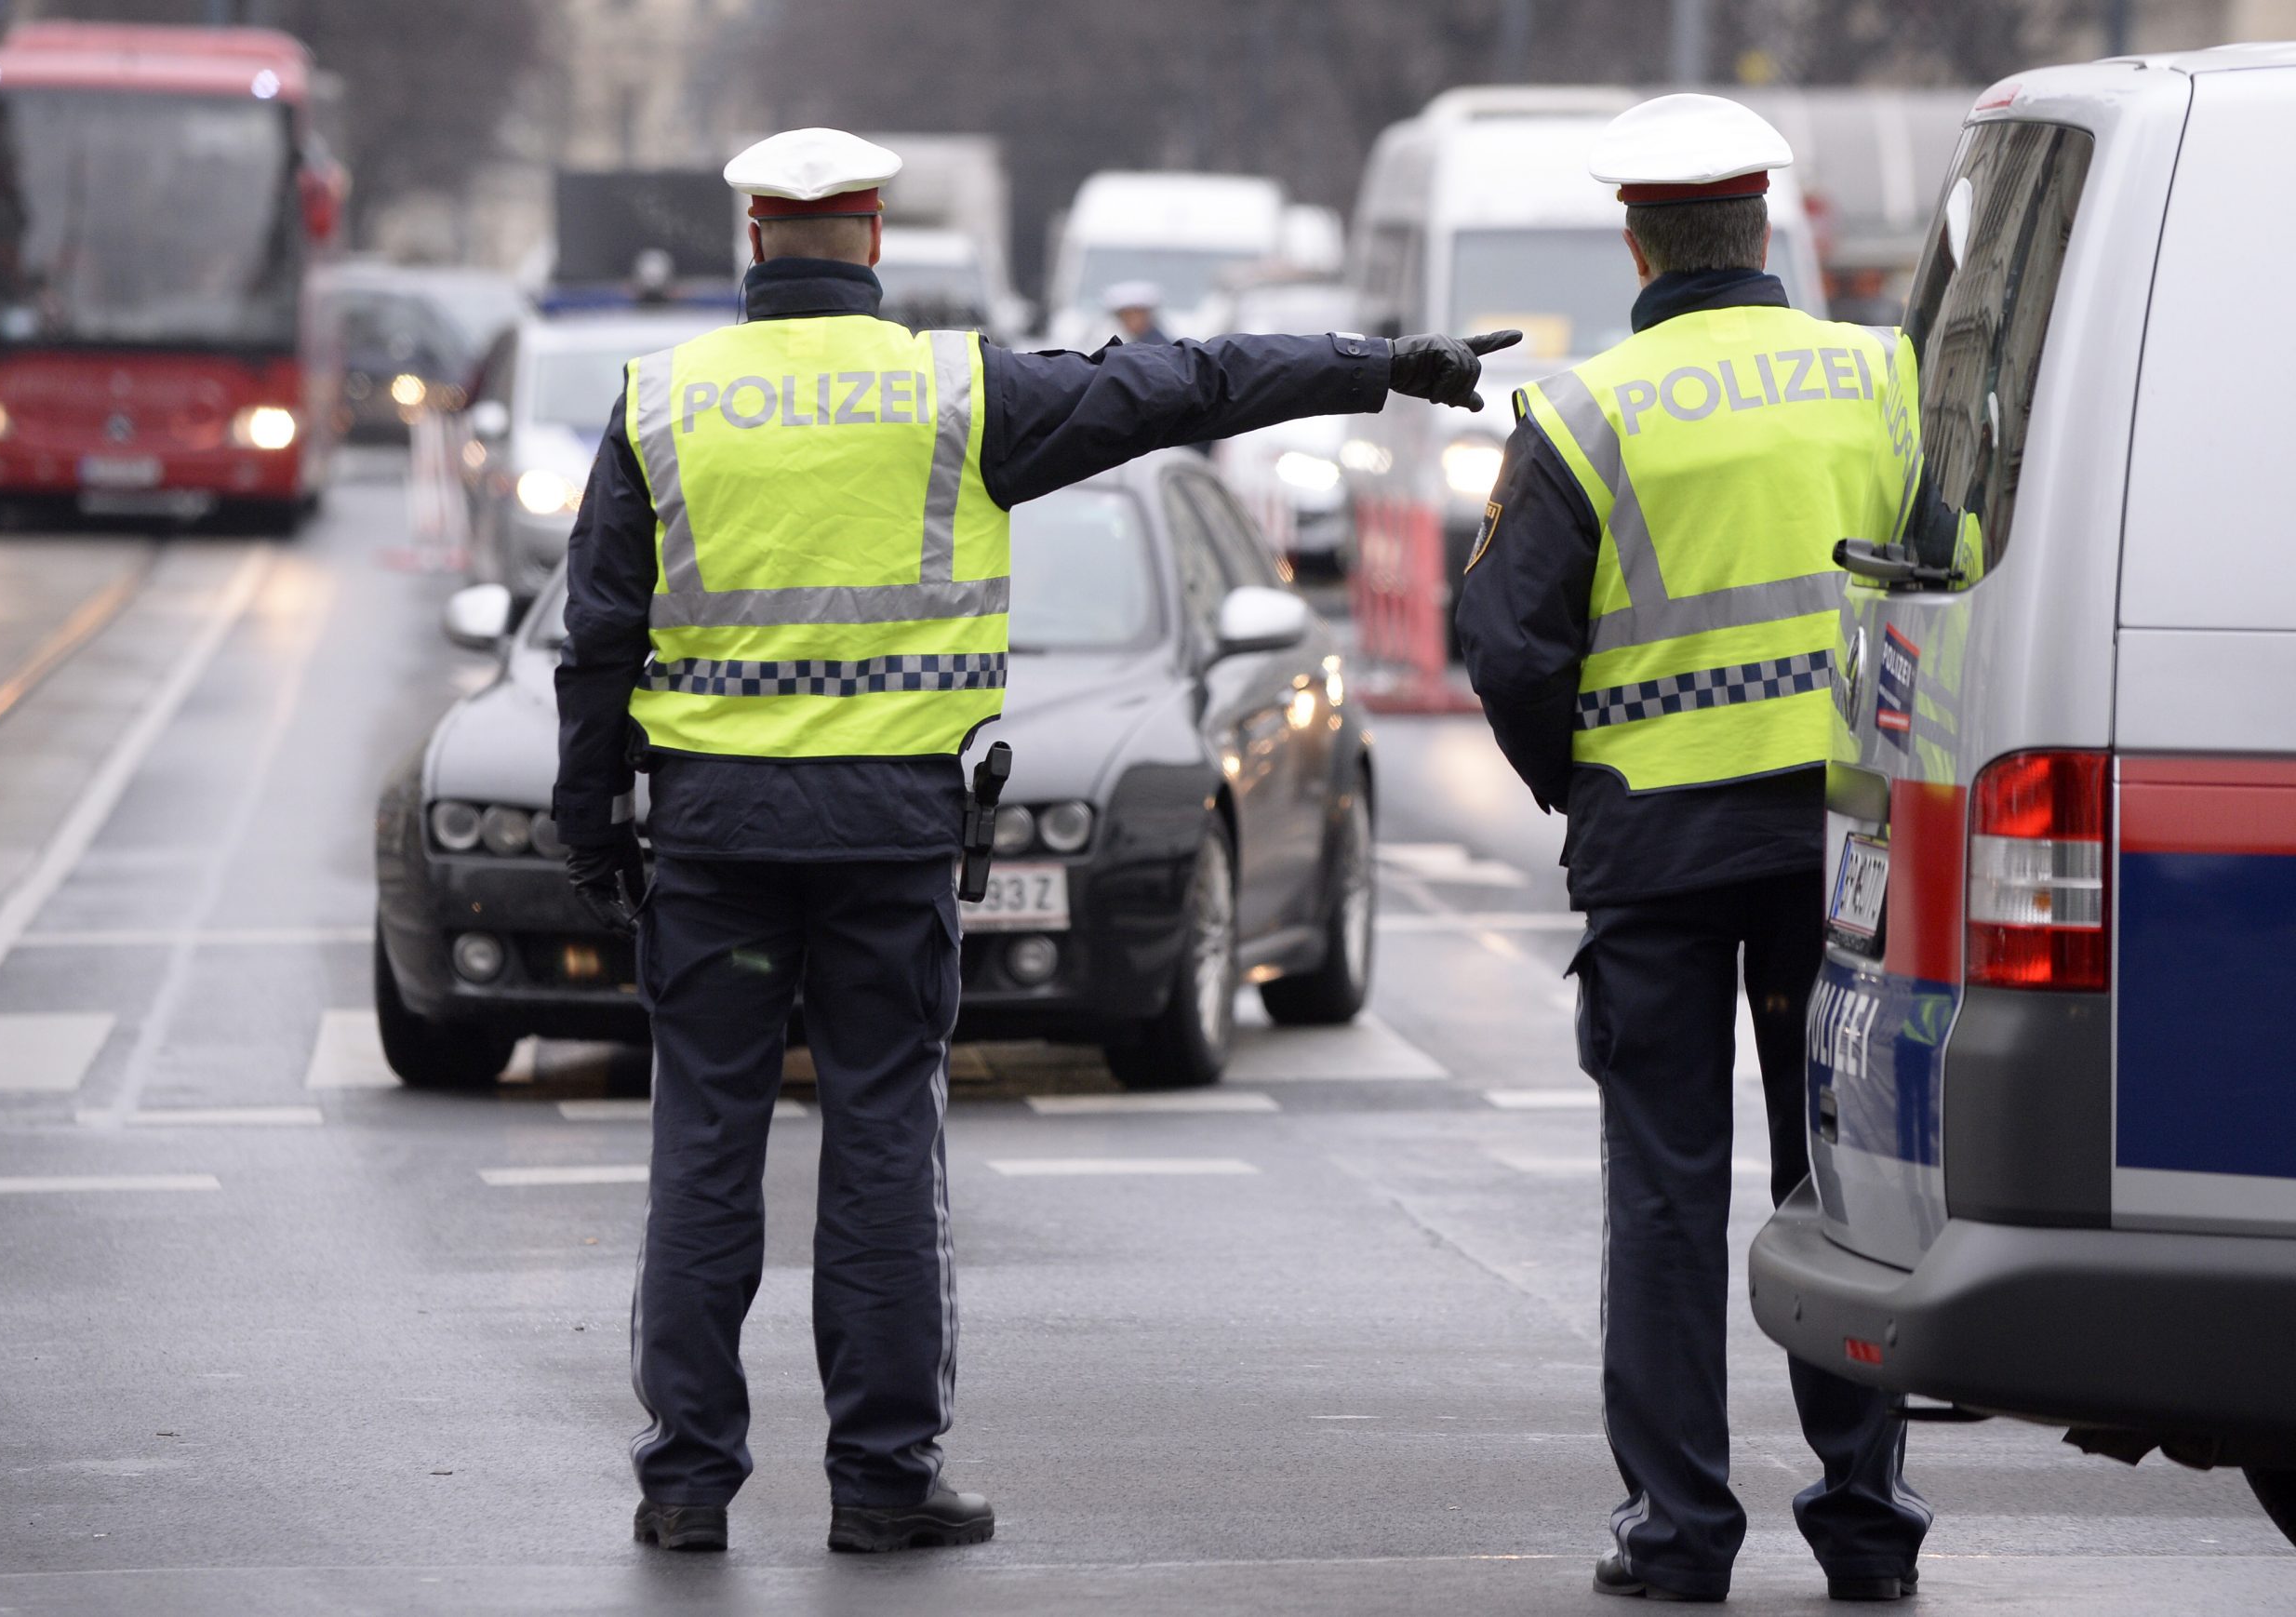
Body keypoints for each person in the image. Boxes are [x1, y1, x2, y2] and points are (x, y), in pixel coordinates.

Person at [554, 127, 1513, 1557]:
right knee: (882, 1136)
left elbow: (598, 638)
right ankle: (883, 1479)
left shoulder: (661, 401)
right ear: (871, 234)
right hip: (889, 841)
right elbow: (1188, 383)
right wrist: (1382, 364)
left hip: (715, 840)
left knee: (706, 1143)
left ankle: (687, 1478)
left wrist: (589, 820)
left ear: (754, 239)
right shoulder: (960, 390)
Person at [1455, 95, 1934, 1603]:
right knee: (1842, 1188)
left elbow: (1508, 645)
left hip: (1655, 850)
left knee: (1663, 1190)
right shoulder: (1881, 377)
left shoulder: (1584, 411)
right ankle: (1865, 1522)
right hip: (1844, 854)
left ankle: (1679, 1532)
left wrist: (1582, 784)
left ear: (1636, 235)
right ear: (1767, 226)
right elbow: (1951, 575)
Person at [1102, 279, 1169, 344]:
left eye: (1134, 315)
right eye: (1125, 316)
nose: (1130, 321)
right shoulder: (1133, 342)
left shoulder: (1158, 347)